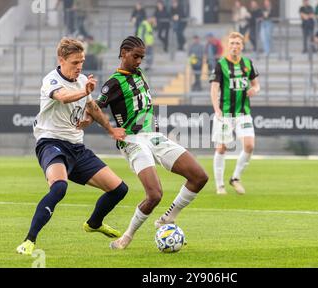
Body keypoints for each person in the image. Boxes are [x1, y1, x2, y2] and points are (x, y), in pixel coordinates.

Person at [16, 38, 129, 256]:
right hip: (51, 143)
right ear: (61, 60)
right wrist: (85, 92)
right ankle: (29, 240)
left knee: (119, 189)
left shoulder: (82, 80)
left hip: (77, 147)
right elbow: (64, 97)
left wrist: (111, 129)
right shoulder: (51, 80)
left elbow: (93, 108)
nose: (79, 66)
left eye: (82, 62)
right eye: (75, 62)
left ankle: (94, 223)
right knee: (59, 187)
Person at [95, 36, 208, 250]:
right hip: (133, 140)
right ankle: (126, 237)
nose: (139, 61)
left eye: (142, 57)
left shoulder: (139, 74)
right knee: (155, 194)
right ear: (123, 52)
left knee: (199, 177)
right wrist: (109, 128)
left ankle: (167, 219)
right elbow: (94, 107)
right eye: (135, 56)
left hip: (155, 136)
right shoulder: (113, 83)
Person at [209, 32, 260, 195]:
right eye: (232, 43)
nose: (234, 46)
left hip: (243, 113)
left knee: (249, 145)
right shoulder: (221, 64)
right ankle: (220, 185)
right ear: (227, 46)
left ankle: (235, 178)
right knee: (222, 148)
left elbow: (256, 84)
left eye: (238, 43)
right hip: (225, 113)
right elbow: (214, 88)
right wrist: (216, 109)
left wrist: (254, 90)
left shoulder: (248, 63)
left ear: (242, 46)